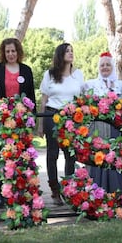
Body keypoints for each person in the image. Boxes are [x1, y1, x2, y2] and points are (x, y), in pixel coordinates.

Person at [0, 38, 36, 208]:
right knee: (3, 157)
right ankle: (2, 192)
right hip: (3, 120)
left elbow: (31, 95)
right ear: (4, 52)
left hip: (22, 121)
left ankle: (22, 190)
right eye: (8, 51)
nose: (11, 54)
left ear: (18, 52)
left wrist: (32, 119)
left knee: (22, 156)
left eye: (13, 51)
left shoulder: (26, 70)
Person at [38, 43, 84, 205]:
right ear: (60, 55)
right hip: (52, 115)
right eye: (67, 51)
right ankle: (55, 190)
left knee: (70, 154)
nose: (71, 53)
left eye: (72, 51)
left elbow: (82, 99)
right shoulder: (50, 74)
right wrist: (41, 124)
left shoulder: (78, 74)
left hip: (72, 118)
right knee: (52, 154)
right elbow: (43, 100)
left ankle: (69, 189)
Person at [83, 52, 122, 192]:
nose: (105, 67)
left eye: (108, 64)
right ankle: (97, 191)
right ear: (98, 67)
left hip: (116, 128)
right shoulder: (90, 84)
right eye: (102, 65)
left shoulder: (121, 85)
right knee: (98, 156)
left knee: (115, 156)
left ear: (113, 67)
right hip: (98, 128)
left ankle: (116, 189)